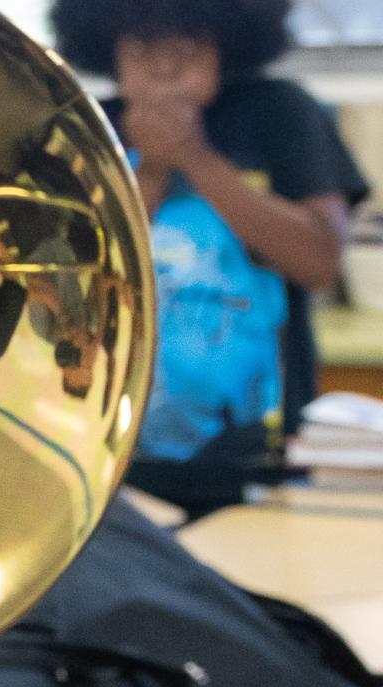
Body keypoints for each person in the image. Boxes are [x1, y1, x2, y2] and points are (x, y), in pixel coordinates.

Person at [51, 0, 371, 518]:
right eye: (143, 44)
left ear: (229, 44)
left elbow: (318, 262)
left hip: (262, 462)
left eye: (189, 44)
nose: (165, 65)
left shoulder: (280, 112)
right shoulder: (87, 127)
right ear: (107, 47)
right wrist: (152, 166)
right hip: (111, 459)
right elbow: (73, 286)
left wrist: (195, 156)